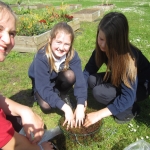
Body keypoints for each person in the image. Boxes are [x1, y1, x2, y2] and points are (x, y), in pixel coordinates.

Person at [0, 1, 55, 150]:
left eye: (12, 33)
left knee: (18, 118)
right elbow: (10, 143)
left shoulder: (71, 56)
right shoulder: (41, 57)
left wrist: (25, 110)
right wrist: (41, 149)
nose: (6, 40)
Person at [83, 12, 150, 127]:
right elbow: (87, 72)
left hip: (139, 87)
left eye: (109, 43)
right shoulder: (101, 50)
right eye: (101, 39)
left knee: (98, 92)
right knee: (91, 79)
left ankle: (130, 111)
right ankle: (117, 101)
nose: (103, 45)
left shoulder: (128, 60)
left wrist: (98, 114)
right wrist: (81, 98)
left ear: (119, 42)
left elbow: (128, 96)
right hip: (120, 77)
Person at [28, 22, 87, 128]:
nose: (61, 47)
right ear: (50, 40)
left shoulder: (72, 55)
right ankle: (44, 96)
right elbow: (44, 87)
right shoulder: (41, 57)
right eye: (58, 42)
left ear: (71, 45)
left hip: (56, 78)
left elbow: (80, 79)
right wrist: (65, 108)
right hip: (41, 82)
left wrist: (81, 104)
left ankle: (63, 94)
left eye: (66, 44)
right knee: (46, 106)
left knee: (70, 75)